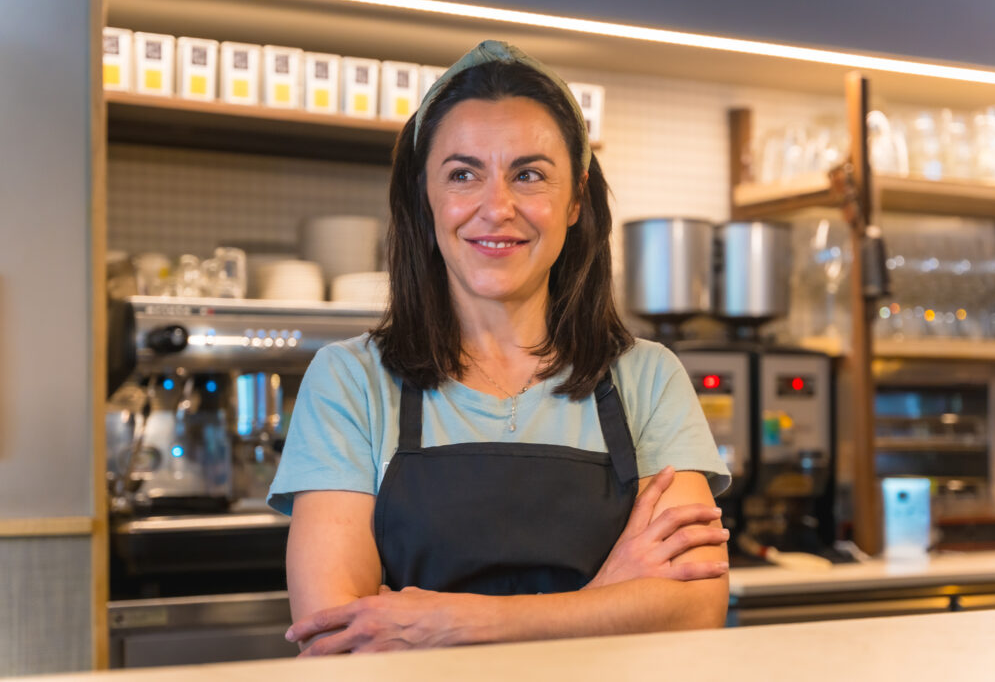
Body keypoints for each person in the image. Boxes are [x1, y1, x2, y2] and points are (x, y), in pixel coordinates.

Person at [268, 40, 732, 655]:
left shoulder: (644, 378)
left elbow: (695, 605)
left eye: (529, 174)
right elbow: (339, 639)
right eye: (463, 174)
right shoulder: (351, 379)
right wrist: (608, 598)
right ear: (423, 197)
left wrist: (452, 622)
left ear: (575, 201)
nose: (497, 208)